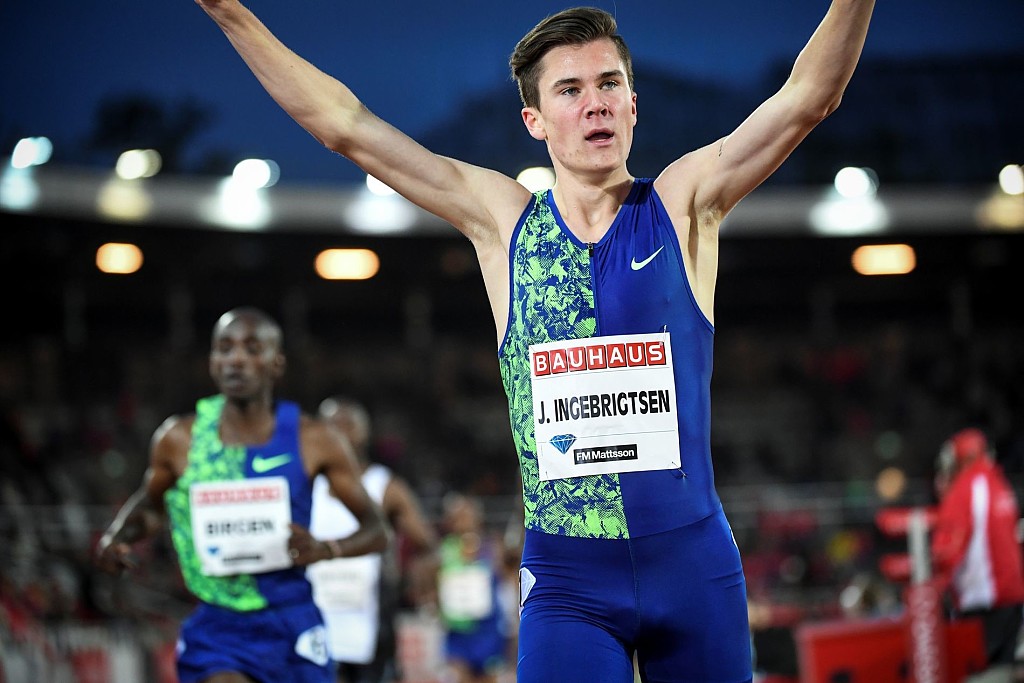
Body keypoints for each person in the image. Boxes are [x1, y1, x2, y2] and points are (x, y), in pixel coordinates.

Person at [189, 2, 875, 680]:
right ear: (535, 120)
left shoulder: (683, 203)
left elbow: (809, 97)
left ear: (633, 104)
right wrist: (228, 13)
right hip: (569, 583)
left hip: (692, 567)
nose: (595, 103)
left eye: (609, 84)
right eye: (569, 90)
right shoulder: (504, 223)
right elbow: (347, 128)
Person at [94, 307, 390, 683]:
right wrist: (116, 536)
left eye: (252, 349)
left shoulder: (315, 439)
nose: (236, 359)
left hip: (290, 619)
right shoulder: (179, 439)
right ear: (212, 362)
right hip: (219, 625)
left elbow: (378, 531)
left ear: (276, 363)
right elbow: (152, 506)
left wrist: (326, 549)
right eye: (225, 348)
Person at [308, 396, 439, 683]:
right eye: (329, 425)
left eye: (345, 425)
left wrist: (417, 575)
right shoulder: (307, 485)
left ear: (362, 433)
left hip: (369, 619)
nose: (337, 432)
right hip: (316, 616)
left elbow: (427, 544)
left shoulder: (385, 486)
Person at [931, 427, 1024, 683]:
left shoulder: (965, 488)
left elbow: (947, 550)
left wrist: (932, 588)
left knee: (975, 675)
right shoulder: (999, 484)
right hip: (1011, 599)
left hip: (982, 602)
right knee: (1003, 673)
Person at [435, 493, 513, 683]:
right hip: (458, 630)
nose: (463, 521)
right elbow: (435, 581)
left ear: (477, 518)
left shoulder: (492, 546)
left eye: (467, 515)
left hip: (488, 631)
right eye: (457, 517)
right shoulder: (445, 549)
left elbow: (508, 577)